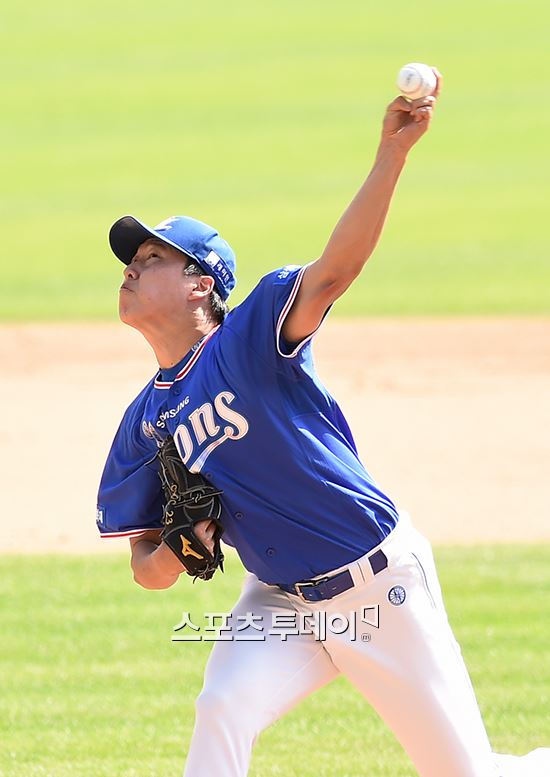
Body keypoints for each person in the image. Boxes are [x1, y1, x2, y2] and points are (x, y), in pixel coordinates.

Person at [96, 69, 549, 776]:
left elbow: (334, 272)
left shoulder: (251, 338)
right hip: (278, 599)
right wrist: (179, 552)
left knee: (466, 772)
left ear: (201, 285)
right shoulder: (144, 422)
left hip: (378, 587)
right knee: (222, 706)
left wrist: (392, 154)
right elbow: (146, 568)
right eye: (130, 260)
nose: (131, 268)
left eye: (152, 258)